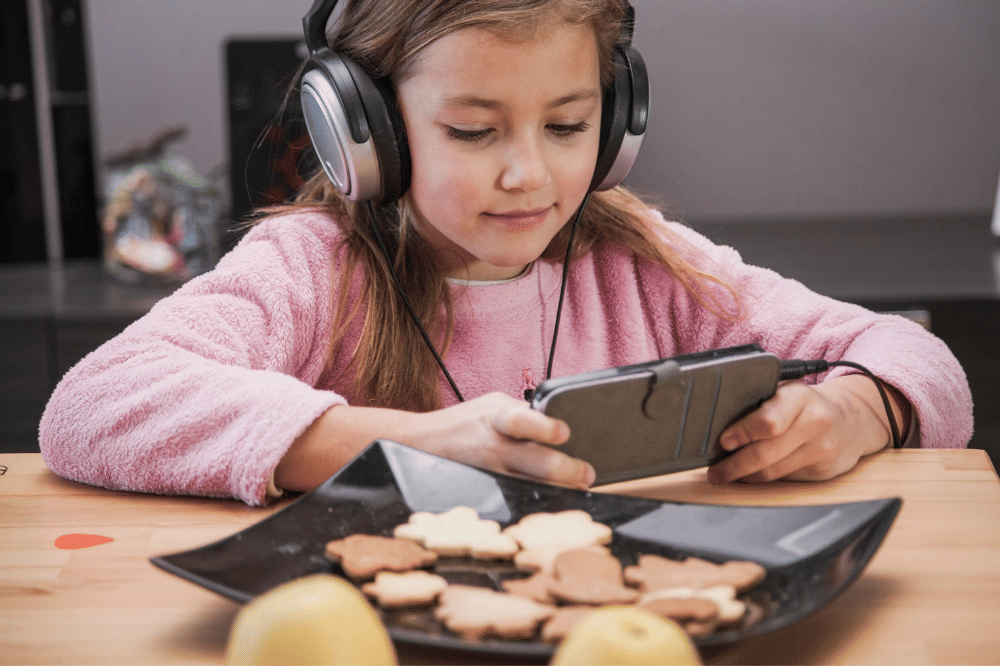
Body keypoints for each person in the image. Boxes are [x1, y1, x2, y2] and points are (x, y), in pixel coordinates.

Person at [40, 0, 972, 506]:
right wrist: (405, 443)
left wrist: (858, 410)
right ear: (368, 132)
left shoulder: (647, 261)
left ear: (616, 126)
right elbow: (90, 405)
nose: (530, 174)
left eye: (568, 124)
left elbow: (918, 354)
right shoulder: (310, 268)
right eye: (474, 131)